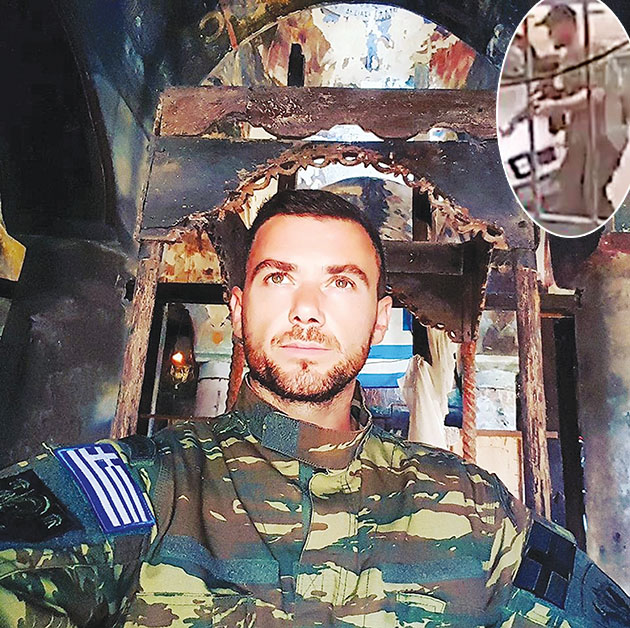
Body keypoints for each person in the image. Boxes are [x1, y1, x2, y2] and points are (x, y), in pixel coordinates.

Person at [0, 189, 629, 626]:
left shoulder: (476, 510)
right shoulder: (138, 487)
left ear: (379, 320)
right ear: (238, 309)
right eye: (278, 278)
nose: (306, 310)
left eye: (341, 282)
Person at [533, 4, 629, 220]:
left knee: (591, 198)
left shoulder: (595, 53)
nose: (550, 34)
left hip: (605, 136)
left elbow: (596, 95)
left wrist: (555, 105)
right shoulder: (567, 60)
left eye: (552, 28)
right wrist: (550, 95)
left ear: (566, 25)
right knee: (566, 198)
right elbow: (571, 99)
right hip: (580, 137)